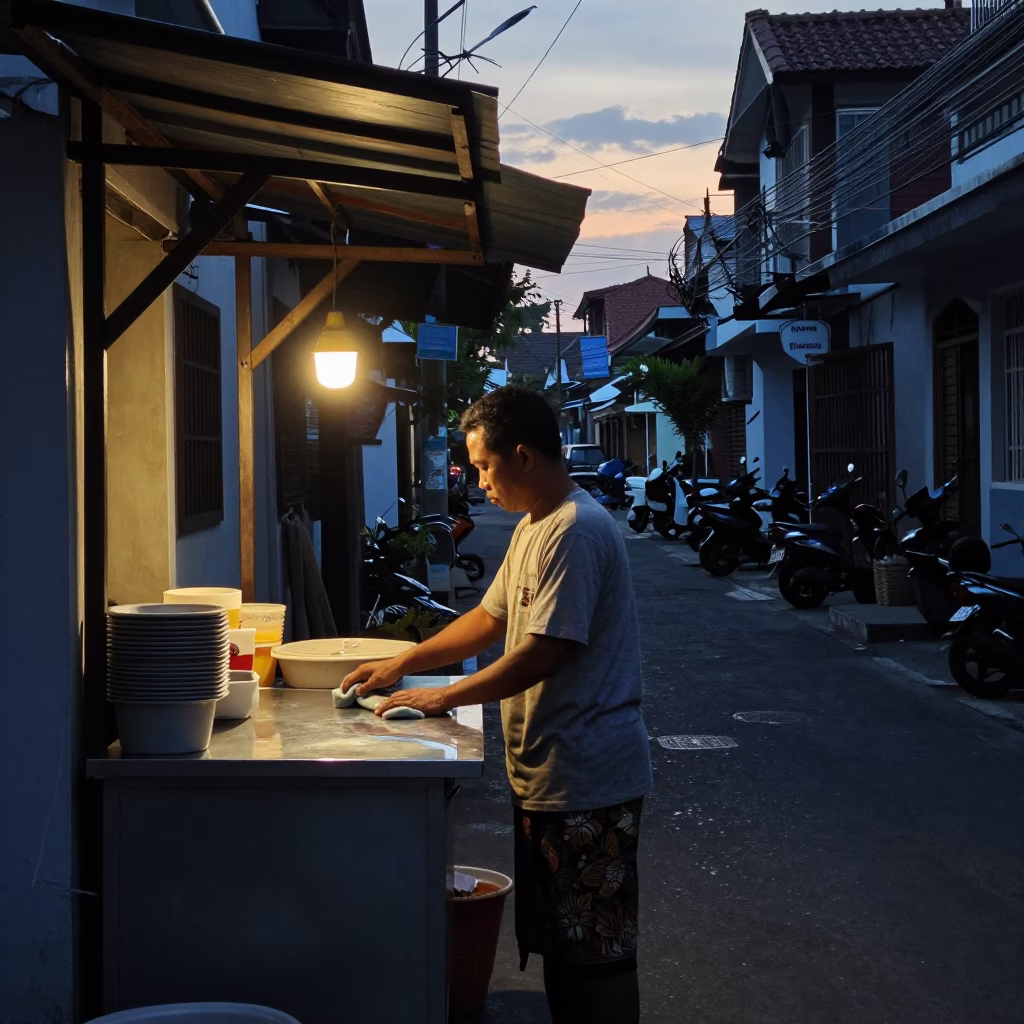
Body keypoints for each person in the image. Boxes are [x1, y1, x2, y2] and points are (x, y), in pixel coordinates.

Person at [342, 386, 653, 1024]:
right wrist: (406, 660)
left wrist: (445, 697)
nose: (478, 481)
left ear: (523, 457)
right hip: (548, 775)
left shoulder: (576, 529)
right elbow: (488, 618)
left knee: (596, 951)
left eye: (484, 467)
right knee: (563, 946)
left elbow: (543, 651)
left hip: (589, 775)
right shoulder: (533, 526)